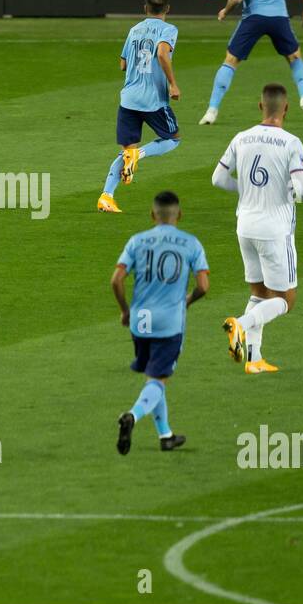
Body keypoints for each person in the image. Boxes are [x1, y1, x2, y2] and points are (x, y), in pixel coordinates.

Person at [213, 84, 303, 373]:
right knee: (284, 300)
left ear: (260, 106)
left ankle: (254, 360)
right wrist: (301, 193)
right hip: (274, 231)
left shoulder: (241, 137)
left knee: (259, 294)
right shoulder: (291, 142)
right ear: (287, 109)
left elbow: (218, 179)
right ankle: (239, 325)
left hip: (245, 227)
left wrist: (243, 190)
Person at [112, 191, 210, 455]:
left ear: (152, 214)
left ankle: (165, 435)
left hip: (140, 321)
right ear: (179, 214)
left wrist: (124, 311)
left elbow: (116, 280)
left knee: (154, 377)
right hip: (170, 322)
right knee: (158, 379)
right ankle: (132, 415)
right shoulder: (191, 244)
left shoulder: (137, 241)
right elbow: (203, 286)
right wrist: (187, 301)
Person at [98, 0, 181, 214]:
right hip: (154, 100)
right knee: (173, 138)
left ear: (145, 8)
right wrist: (173, 83)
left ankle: (107, 196)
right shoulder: (168, 29)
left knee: (126, 151)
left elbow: (123, 64)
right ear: (168, 9)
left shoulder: (134, 30)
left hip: (129, 99)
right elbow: (163, 53)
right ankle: (139, 155)